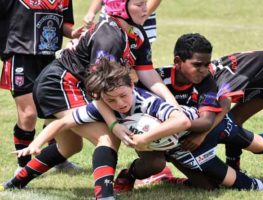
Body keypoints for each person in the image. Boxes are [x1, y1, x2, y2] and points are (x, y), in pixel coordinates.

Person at [1, 0, 179, 199]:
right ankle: (104, 195)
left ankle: (17, 181)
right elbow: (100, 88)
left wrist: (173, 105)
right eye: (139, 4)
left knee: (70, 146)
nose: (146, 8)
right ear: (121, 7)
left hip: (77, 85)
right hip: (61, 84)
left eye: (145, 3)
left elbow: (147, 73)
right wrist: (114, 125)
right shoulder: (109, 36)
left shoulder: (136, 32)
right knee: (107, 137)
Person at [117, 33, 263, 189]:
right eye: (197, 65)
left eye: (206, 64)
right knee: (159, 165)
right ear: (178, 62)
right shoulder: (157, 80)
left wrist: (196, 133)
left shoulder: (208, 82)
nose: (203, 70)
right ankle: (131, 175)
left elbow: (214, 114)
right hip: (169, 139)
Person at [1, 58, 191, 195]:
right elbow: (64, 122)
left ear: (132, 87)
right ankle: (19, 180)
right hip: (151, 139)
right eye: (111, 100)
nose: (120, 103)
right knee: (71, 146)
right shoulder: (102, 106)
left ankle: (128, 175)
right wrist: (37, 142)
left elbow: (182, 121)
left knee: (157, 164)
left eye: (124, 96)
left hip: (187, 137)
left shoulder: (147, 102)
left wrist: (144, 138)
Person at [0, 0, 84, 173]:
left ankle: (58, 159)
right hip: (20, 54)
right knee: (29, 115)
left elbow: (65, 24)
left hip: (50, 58)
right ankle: (23, 166)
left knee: (53, 112)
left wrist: (74, 33)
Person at [83, 0, 161, 43]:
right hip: (110, 15)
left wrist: (144, 14)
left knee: (137, 64)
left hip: (137, 16)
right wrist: (91, 12)